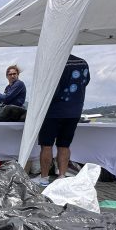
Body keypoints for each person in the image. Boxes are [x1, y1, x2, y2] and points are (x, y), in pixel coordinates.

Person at [32, 54, 90, 186]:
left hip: (54, 110)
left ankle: (44, 178)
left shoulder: (55, 61)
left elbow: (50, 88)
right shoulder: (83, 62)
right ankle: (61, 176)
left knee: (46, 144)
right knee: (64, 145)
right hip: (75, 110)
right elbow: (85, 82)